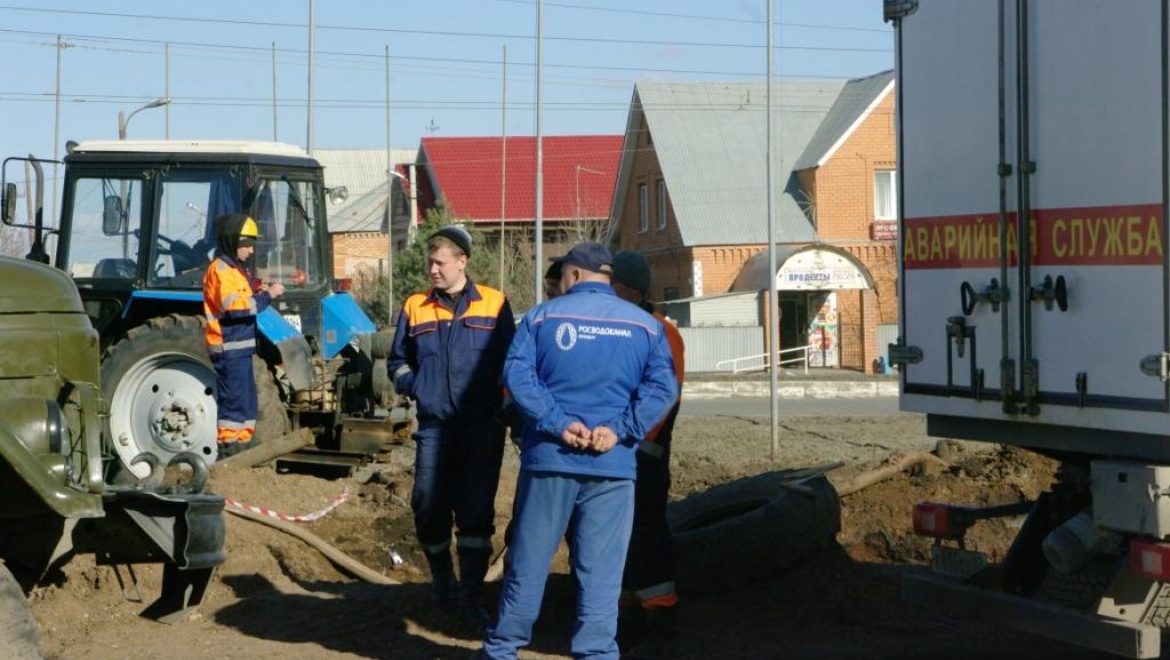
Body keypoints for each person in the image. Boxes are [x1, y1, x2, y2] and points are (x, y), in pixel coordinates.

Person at [479, 242, 678, 660]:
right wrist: (620, 430)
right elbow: (663, 388)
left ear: (572, 275)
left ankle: (502, 650)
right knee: (602, 572)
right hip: (614, 464)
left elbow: (517, 376)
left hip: (551, 459)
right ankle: (597, 652)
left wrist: (556, 422)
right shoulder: (646, 326)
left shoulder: (541, 317)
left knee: (530, 563)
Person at [387, 224, 515, 632]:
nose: (433, 270)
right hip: (436, 427)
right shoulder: (415, 306)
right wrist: (416, 385)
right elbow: (397, 362)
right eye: (430, 262)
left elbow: (512, 364)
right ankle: (442, 577)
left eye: (440, 263)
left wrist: (504, 408)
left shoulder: (495, 304)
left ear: (462, 262)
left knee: (476, 513)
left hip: (481, 427)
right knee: (427, 504)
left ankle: (471, 597)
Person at [609, 250, 686, 658]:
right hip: (622, 449)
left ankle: (660, 619)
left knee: (646, 533)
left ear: (631, 288)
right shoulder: (620, 324)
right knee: (620, 537)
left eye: (613, 282)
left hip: (644, 454)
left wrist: (632, 437)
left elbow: (664, 395)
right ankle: (627, 614)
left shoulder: (661, 332)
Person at [203, 213, 284, 458]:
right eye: (246, 245)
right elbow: (236, 307)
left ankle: (243, 455)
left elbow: (241, 296)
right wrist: (267, 296)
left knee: (247, 407)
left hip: (240, 349)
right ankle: (229, 456)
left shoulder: (234, 270)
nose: (251, 250)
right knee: (234, 410)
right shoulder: (220, 270)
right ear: (232, 242)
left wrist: (258, 289)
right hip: (228, 349)